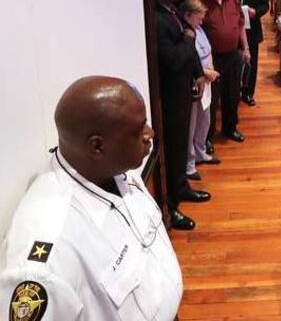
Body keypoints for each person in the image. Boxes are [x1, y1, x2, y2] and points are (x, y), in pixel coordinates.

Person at [0, 76, 182, 319]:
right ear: (97, 147)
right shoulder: (46, 259)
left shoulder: (116, 168)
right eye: (138, 130)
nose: (150, 133)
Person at [154, 0, 211, 230]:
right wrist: (188, 39)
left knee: (182, 142)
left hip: (185, 88)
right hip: (171, 93)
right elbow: (174, 58)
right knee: (174, 145)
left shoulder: (174, 11)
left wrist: (199, 74)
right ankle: (172, 206)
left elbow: (189, 53)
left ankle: (181, 186)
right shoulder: (158, 19)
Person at [199, 0, 250, 146]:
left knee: (232, 94)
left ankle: (230, 128)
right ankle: (207, 136)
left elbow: (241, 24)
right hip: (212, 59)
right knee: (212, 100)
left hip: (233, 55)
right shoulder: (200, 0)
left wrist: (245, 48)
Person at [180, 0, 221, 184]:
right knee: (192, 123)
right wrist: (205, 73)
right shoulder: (185, 33)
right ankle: (189, 164)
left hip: (207, 81)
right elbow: (189, 60)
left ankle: (200, 152)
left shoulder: (199, 29)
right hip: (195, 82)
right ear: (188, 15)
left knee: (205, 119)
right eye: (198, 17)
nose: (201, 20)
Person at [227, 0, 268, 106]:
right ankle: (233, 91)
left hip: (251, 30)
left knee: (251, 62)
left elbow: (265, 5)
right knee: (232, 61)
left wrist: (255, 12)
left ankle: (248, 93)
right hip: (230, 29)